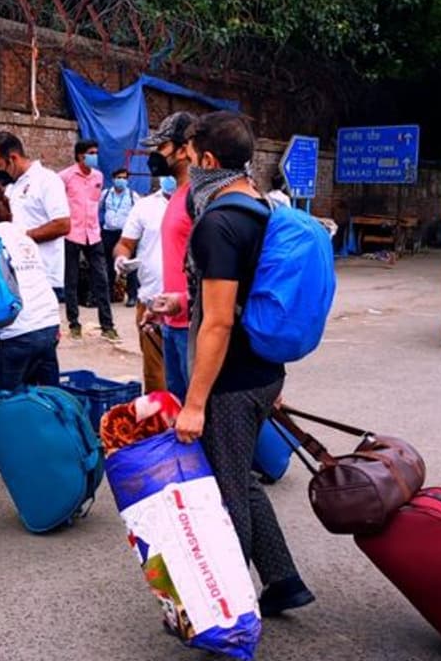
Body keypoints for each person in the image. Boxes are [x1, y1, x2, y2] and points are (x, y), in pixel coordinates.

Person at [172, 110, 314, 617]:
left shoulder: (218, 222)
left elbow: (218, 324)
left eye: (189, 157)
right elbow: (250, 296)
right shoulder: (262, 208)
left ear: (208, 160)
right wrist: (178, 302)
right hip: (263, 372)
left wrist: (194, 404)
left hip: (229, 382)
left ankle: (227, 611)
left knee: (226, 493)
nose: (187, 166)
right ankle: (282, 579)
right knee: (241, 478)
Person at [0, 183, 61, 391]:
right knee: (49, 397)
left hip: (17, 331)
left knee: (8, 402)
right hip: (49, 323)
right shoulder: (26, 239)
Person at [140, 112, 196, 401]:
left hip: (194, 327)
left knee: (198, 418)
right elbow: (179, 261)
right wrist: (163, 302)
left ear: (184, 149)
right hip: (173, 323)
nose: (155, 155)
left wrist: (185, 301)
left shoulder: (198, 198)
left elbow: (217, 269)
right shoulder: (178, 195)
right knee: (177, 411)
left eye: (162, 147)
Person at [0, 132, 70, 298]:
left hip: (43, 276)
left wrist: (22, 238)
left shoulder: (47, 180)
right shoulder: (10, 187)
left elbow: (62, 224)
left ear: (13, 158)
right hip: (17, 276)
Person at [112, 174, 174, 393]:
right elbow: (125, 243)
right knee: (156, 376)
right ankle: (162, 424)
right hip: (151, 300)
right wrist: (121, 259)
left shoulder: (199, 202)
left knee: (187, 375)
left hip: (188, 306)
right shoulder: (145, 207)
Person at [59, 139, 117, 340]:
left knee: (101, 280)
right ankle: (74, 323)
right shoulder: (65, 177)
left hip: (93, 234)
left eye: (96, 152)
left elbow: (94, 203)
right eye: (91, 153)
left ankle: (107, 325)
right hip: (71, 234)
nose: (95, 156)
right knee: (71, 281)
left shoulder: (98, 177)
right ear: (79, 155)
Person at [101, 168, 140, 307]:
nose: (121, 180)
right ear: (113, 179)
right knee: (108, 265)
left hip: (126, 235)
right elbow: (97, 209)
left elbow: (138, 214)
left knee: (130, 266)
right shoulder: (105, 194)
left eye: (124, 178)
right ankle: (109, 295)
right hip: (108, 232)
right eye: (118, 177)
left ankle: (132, 296)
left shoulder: (132, 195)